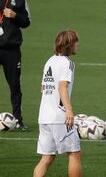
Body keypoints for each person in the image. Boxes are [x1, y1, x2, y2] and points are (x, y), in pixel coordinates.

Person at [33, 30, 81, 177]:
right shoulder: (68, 64)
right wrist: (69, 111)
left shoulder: (50, 61)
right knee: (74, 154)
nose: (77, 45)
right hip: (59, 118)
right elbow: (62, 87)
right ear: (69, 45)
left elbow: (43, 89)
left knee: (47, 158)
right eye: (75, 42)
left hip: (44, 117)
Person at [0, 0, 30, 130]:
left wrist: (14, 16)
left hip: (11, 49)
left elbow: (27, 22)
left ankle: (17, 119)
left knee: (15, 86)